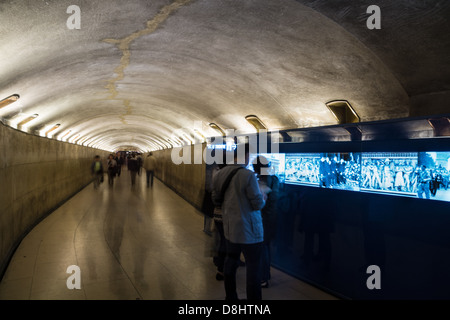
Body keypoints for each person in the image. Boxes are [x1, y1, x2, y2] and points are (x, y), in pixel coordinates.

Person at [212, 143, 266, 301]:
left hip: (230, 229)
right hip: (250, 231)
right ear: (246, 155)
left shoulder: (219, 174)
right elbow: (257, 204)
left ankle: (231, 298)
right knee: (253, 269)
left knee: (231, 262)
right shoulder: (248, 175)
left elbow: (215, 199)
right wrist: (263, 197)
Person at [253, 155, 279, 288]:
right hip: (272, 217)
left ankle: (263, 277)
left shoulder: (262, 181)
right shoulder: (274, 178)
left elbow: (259, 201)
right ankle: (265, 275)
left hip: (263, 218)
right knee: (266, 247)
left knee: (262, 248)